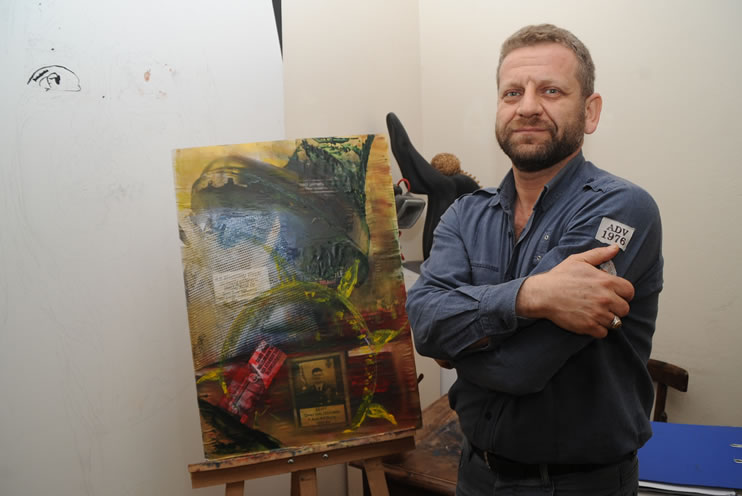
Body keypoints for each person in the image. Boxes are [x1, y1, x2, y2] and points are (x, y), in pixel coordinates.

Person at [406, 24, 663, 496]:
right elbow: (423, 322)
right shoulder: (465, 214)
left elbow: (519, 369)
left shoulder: (622, 209)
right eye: (512, 93)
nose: (526, 107)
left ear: (590, 111)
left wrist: (452, 344)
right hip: (475, 475)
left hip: (581, 485)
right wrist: (532, 295)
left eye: (550, 90)